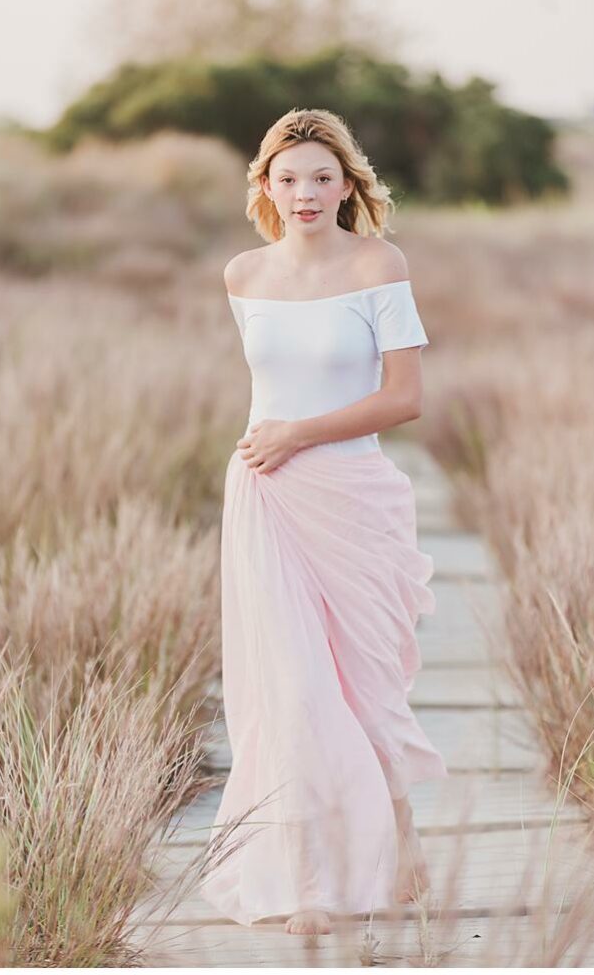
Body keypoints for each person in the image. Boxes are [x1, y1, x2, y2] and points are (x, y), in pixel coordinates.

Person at [199, 107, 448, 935]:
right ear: (264, 186)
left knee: (365, 681)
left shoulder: (379, 263)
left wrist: (298, 434)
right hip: (266, 496)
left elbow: (403, 399)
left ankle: (397, 823)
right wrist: (277, 441)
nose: (304, 193)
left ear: (349, 185)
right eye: (288, 177)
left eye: (321, 177)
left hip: (350, 490)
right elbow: (269, 388)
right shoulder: (242, 275)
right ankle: (307, 879)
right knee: (291, 684)